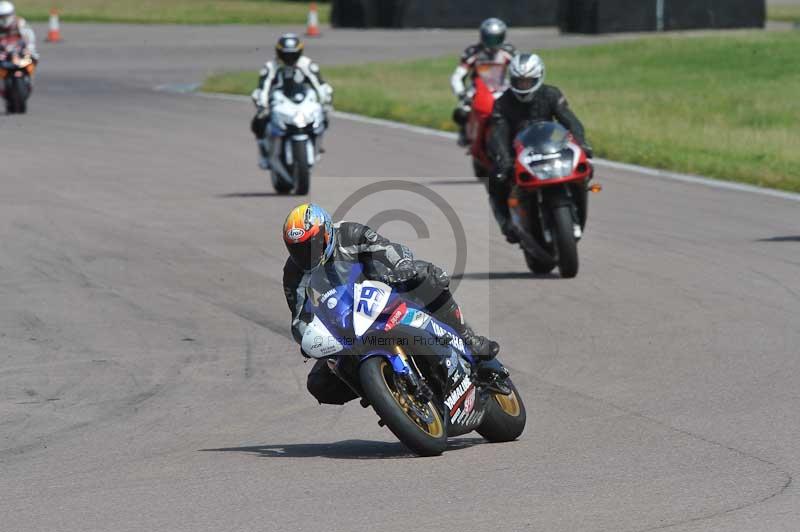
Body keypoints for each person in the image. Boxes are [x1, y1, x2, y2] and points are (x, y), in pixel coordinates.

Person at [282, 203, 507, 405]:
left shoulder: (349, 233)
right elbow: (299, 318)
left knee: (428, 276)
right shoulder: (293, 273)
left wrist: (402, 265)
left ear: (325, 233)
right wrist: (308, 339)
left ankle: (467, 338)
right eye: (298, 249)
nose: (306, 254)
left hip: (383, 291)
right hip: (344, 327)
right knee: (319, 385)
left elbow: (387, 249)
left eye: (311, 244)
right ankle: (380, 391)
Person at [486, 53, 592, 242]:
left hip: (551, 146)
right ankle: (506, 222)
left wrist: (581, 142)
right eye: (519, 81)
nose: (523, 86)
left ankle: (576, 199)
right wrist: (503, 159)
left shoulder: (551, 94)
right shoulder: (502, 103)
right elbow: (497, 134)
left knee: (586, 169)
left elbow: (570, 121)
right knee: (496, 177)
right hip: (517, 152)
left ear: (539, 77)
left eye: (528, 81)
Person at [250, 33, 333, 169]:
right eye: (286, 55)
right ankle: (264, 154)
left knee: (323, 116)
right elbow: (263, 88)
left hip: (301, 100)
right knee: (258, 122)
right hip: (278, 101)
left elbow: (320, 84)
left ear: (299, 52)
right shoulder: (271, 66)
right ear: (279, 53)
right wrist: (262, 105)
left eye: (293, 55)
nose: (289, 58)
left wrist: (326, 100)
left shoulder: (307, 64)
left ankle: (317, 145)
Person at [450, 18, 516, 147]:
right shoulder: (472, 52)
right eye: (489, 39)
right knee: (461, 113)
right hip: (476, 90)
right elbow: (457, 76)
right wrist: (461, 94)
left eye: (496, 39)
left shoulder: (509, 51)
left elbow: (519, 69)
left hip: (501, 89)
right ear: (482, 36)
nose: (492, 44)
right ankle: (465, 132)